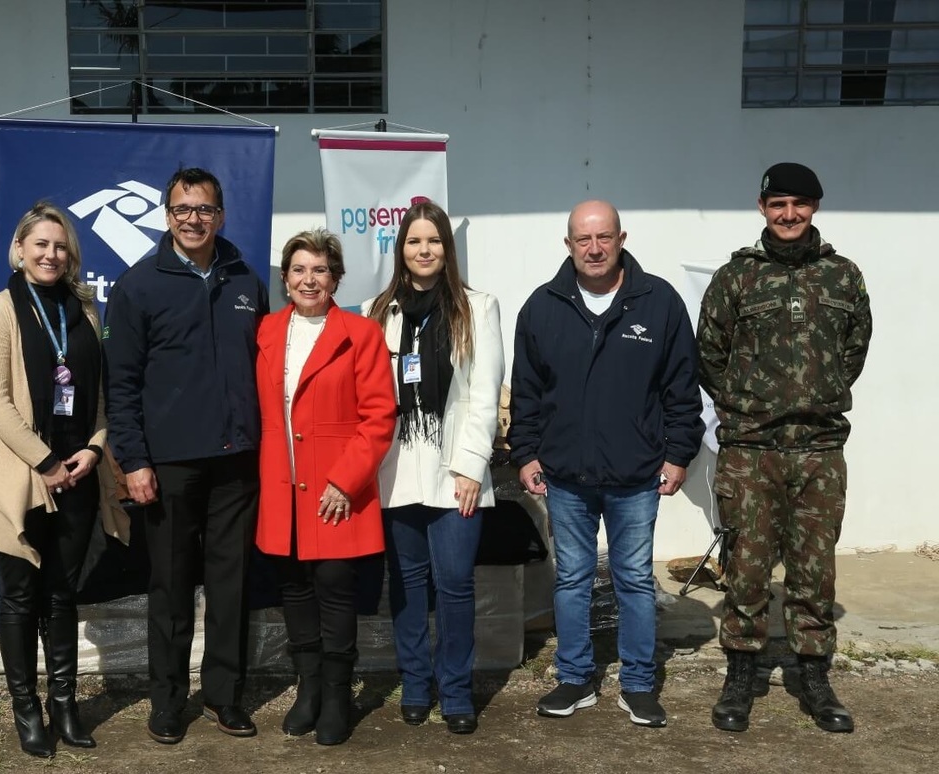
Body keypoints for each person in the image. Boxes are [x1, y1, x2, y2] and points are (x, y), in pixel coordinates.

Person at [509, 200, 704, 728]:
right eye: (582, 239)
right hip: (565, 475)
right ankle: (574, 677)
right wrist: (525, 452)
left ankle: (638, 683)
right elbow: (526, 393)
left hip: (635, 473)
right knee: (571, 578)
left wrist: (679, 454)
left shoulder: (658, 302)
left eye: (603, 238)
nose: (593, 249)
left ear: (621, 238)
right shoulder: (542, 307)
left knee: (634, 579)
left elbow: (682, 389)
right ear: (568, 244)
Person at [698, 163, 872, 734]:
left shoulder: (843, 277)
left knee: (814, 573)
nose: (789, 214)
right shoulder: (735, 279)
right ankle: (741, 674)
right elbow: (710, 355)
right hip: (752, 450)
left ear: (815, 207)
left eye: (800, 203)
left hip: (820, 450)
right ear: (762, 207)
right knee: (746, 568)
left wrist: (814, 398)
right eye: (779, 204)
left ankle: (812, 675)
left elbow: (854, 352)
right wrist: (750, 406)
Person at [103, 168, 268, 744]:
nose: (192, 219)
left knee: (231, 585)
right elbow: (120, 385)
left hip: (238, 461)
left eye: (203, 210)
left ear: (220, 216)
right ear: (167, 216)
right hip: (168, 465)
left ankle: (225, 696)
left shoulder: (245, 278)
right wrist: (134, 459)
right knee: (170, 587)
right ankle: (168, 701)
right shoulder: (138, 286)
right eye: (181, 209)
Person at [0, 203, 128, 758]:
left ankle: (65, 705)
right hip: (21, 476)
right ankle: (26, 710)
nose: (50, 254)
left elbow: (101, 399)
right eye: (39, 244)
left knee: (62, 594)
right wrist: (46, 462)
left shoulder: (82, 312)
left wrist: (93, 448)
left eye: (60, 247)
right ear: (19, 250)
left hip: (78, 475)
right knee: (20, 597)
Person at [363, 202, 504, 735]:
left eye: (435, 241)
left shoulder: (477, 306)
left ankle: (456, 689)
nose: (424, 250)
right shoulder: (378, 310)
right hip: (398, 464)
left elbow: (484, 395)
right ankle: (417, 683)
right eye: (414, 242)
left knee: (455, 583)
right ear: (401, 250)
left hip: (454, 468)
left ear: (448, 248)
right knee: (406, 580)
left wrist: (471, 467)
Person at [254, 229, 396, 745]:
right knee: (293, 589)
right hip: (282, 487)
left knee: (335, 589)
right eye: (298, 270)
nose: (308, 279)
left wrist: (346, 479)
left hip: (337, 490)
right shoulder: (267, 331)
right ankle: (308, 688)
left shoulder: (361, 334)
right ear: (286, 278)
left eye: (319, 270)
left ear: (335, 277)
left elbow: (380, 416)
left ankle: (337, 695)